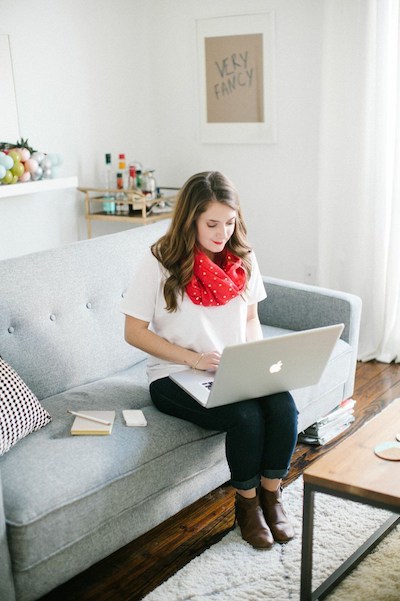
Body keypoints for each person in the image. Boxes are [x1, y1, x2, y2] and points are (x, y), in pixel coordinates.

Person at [121, 171, 298, 549]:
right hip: (174, 375)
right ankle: (247, 507)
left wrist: (255, 359)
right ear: (190, 220)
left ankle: (272, 495)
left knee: (284, 406)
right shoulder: (158, 262)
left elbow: (250, 318)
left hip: (232, 369)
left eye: (230, 222)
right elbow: (134, 332)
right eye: (212, 224)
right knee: (246, 416)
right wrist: (195, 359)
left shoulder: (243, 259)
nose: (223, 233)